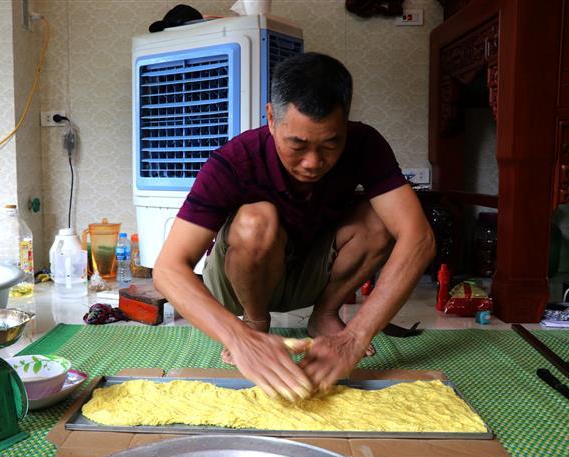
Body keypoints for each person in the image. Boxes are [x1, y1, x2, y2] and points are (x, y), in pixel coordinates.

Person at [153, 52, 435, 401]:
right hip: (238, 281)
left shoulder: (365, 144)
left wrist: (356, 337)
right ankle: (255, 324)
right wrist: (238, 339)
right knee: (256, 220)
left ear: (345, 122)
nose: (313, 162)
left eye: (331, 144)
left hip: (313, 276)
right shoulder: (234, 161)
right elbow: (167, 268)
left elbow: (418, 238)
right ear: (271, 118)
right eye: (297, 145)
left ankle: (325, 315)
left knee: (380, 220)